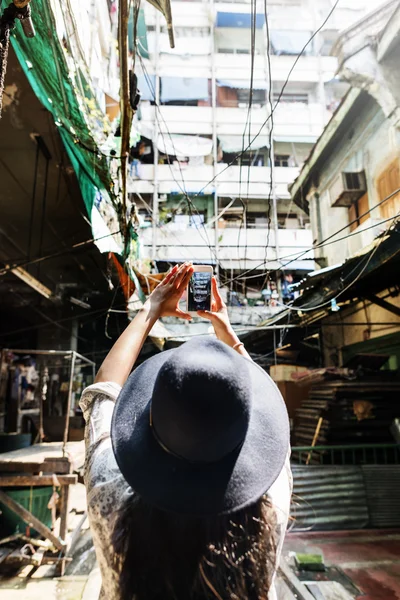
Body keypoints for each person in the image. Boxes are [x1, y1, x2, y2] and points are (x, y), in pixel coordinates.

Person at [80, 263, 292, 600]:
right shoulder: (272, 501)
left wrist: (150, 309)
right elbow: (265, 413)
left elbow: (104, 390)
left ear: (151, 421)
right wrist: (225, 328)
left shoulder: (110, 492)